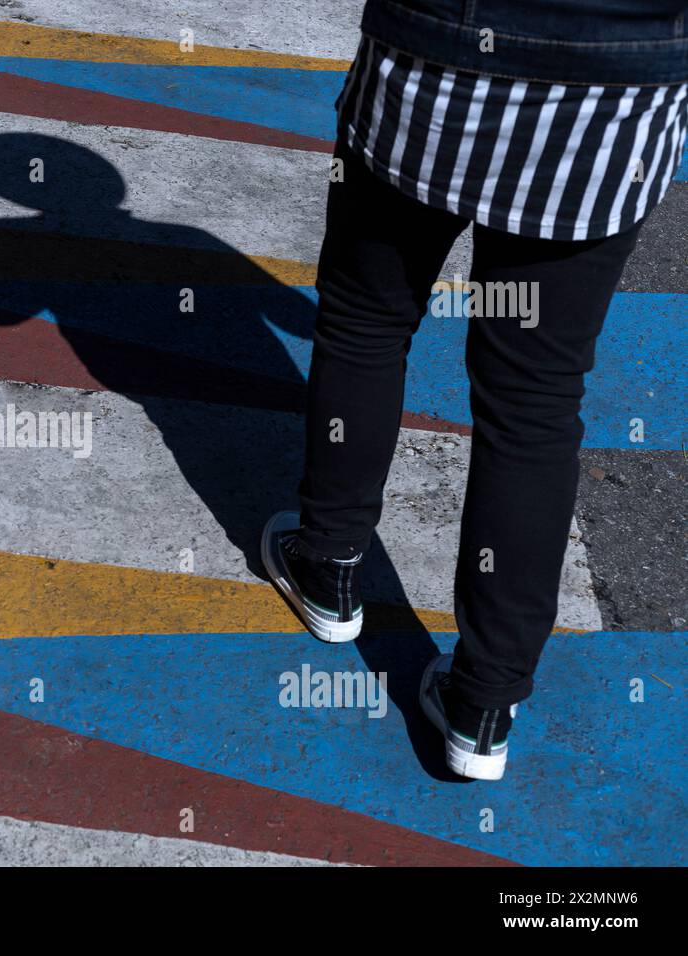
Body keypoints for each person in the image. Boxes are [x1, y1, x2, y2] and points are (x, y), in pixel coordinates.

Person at [261, 0, 688, 779]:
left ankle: (328, 564)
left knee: (367, 318)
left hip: (438, 54)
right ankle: (484, 702)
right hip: (615, 92)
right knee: (535, 401)